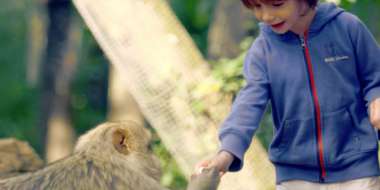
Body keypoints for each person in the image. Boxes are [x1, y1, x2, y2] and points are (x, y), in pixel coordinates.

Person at [194, 0, 380, 189]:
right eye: (257, 6)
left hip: (359, 172)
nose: (266, 16)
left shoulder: (348, 27)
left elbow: (375, 77)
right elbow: (247, 105)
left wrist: (377, 97)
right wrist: (225, 155)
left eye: (277, 4)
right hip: (295, 178)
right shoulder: (263, 50)